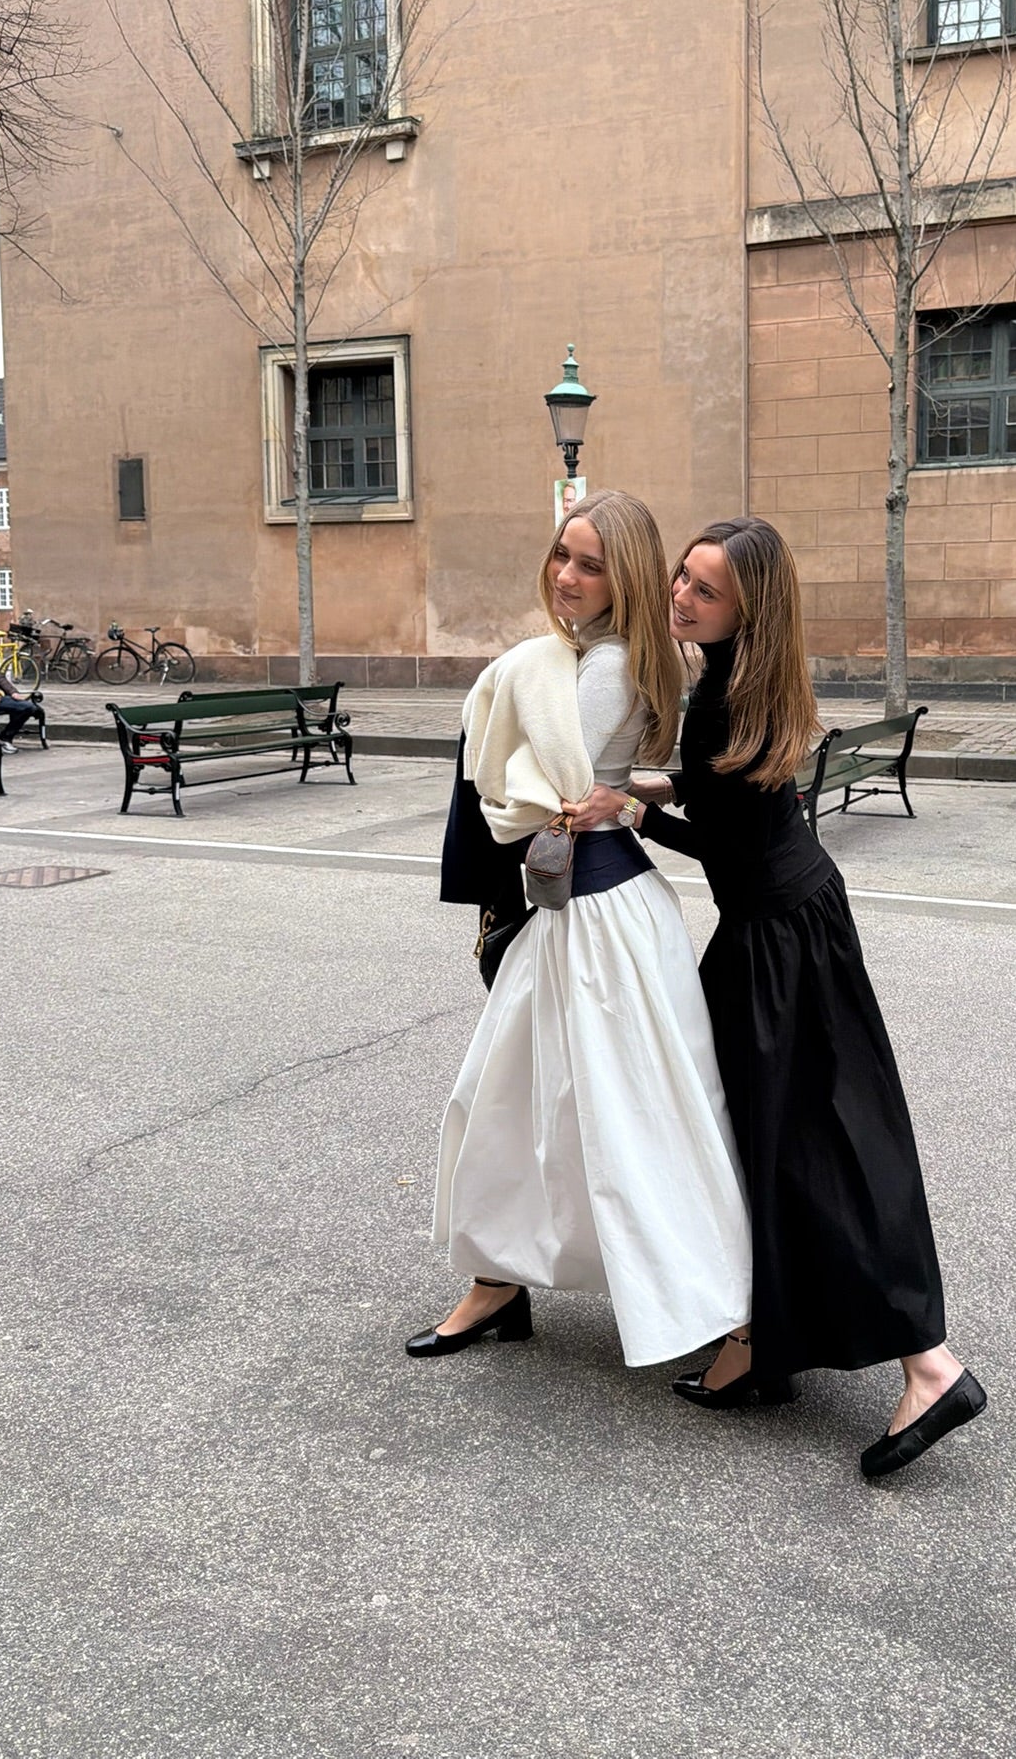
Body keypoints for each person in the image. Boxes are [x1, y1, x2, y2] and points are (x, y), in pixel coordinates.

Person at [565, 517, 986, 1479]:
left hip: (774, 946)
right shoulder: (745, 678)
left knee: (804, 1151)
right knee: (782, 1143)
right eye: (682, 577)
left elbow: (724, 842)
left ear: (745, 609)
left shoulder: (723, 696)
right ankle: (762, 1342)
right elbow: (729, 796)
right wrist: (649, 785)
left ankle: (927, 1366)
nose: (680, 596)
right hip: (795, 924)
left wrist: (629, 808)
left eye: (704, 590)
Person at [407, 491, 751, 1371]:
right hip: (589, 911)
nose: (565, 575)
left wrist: (518, 712)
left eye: (590, 564)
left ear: (624, 576)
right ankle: (498, 1281)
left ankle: (726, 1307)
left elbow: (536, 800)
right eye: (562, 554)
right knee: (519, 1098)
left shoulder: (604, 667)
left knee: (626, 1116)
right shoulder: (586, 657)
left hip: (595, 921)